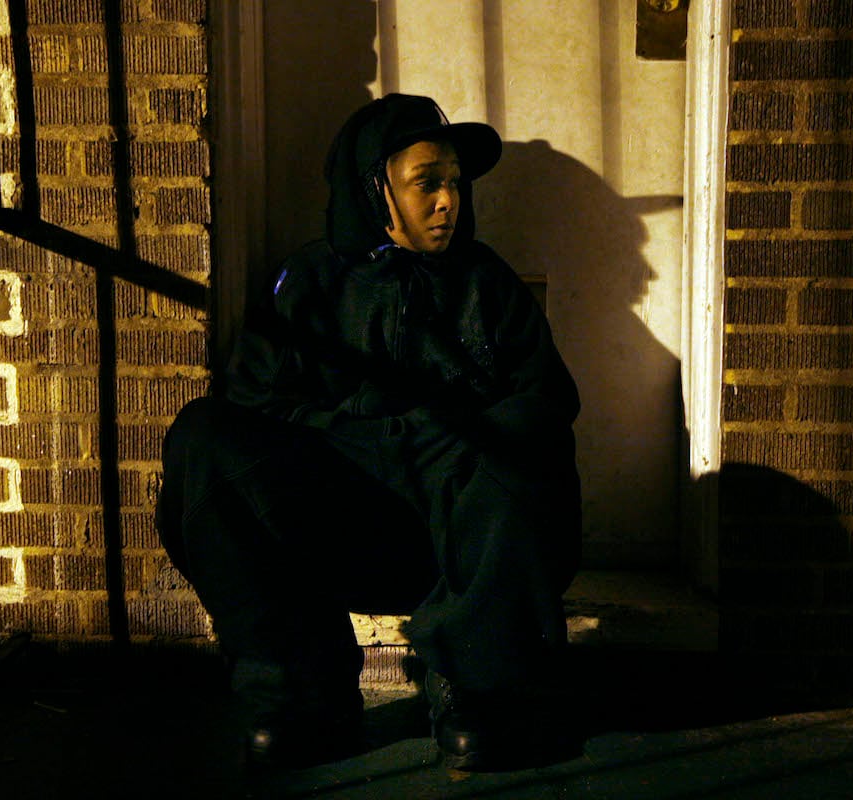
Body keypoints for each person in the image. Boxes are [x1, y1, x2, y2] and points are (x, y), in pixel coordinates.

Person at [155, 93, 582, 771]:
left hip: (461, 535)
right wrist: (367, 427)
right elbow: (256, 403)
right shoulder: (309, 283)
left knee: (523, 438)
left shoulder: (487, 283)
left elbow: (544, 401)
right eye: (427, 184)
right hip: (341, 525)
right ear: (374, 192)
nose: (449, 202)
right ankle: (303, 696)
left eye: (454, 184)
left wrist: (452, 435)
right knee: (204, 440)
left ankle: (476, 689)